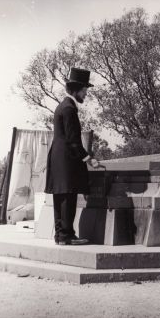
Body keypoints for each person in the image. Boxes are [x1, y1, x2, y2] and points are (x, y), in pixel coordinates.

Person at [44, 67, 99, 245]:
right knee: (68, 197)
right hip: (67, 160)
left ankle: (60, 236)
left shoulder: (62, 106)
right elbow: (73, 140)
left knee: (60, 197)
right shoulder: (69, 109)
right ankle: (67, 236)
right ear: (77, 90)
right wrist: (89, 158)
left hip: (58, 158)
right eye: (84, 91)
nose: (85, 95)